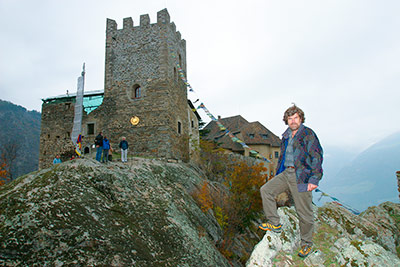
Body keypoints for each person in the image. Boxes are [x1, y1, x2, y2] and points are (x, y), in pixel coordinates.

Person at [259, 104, 323, 258]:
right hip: (286, 173)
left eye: (296, 118)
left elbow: (317, 156)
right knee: (266, 190)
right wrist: (277, 173)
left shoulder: (308, 134)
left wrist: (314, 179)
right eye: (290, 118)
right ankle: (275, 223)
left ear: (301, 119)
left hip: (301, 176)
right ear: (286, 120)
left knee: (304, 212)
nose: (293, 121)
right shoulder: (286, 135)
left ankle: (306, 244)